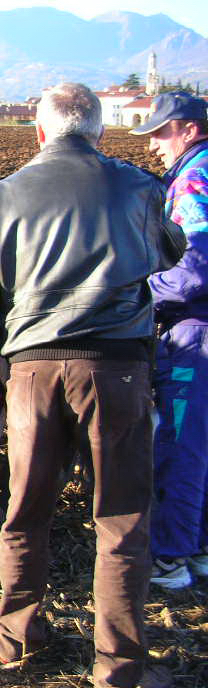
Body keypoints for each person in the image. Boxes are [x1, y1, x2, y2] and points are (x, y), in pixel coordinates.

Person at [0, 83, 185, 688]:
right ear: (100, 132)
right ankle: (117, 677)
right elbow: (172, 251)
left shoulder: (1, 198)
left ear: (40, 133)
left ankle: (17, 642)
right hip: (118, 373)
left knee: (27, 512)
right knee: (122, 521)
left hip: (33, 374)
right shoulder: (140, 188)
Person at [130, 92, 208, 589]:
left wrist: (139, 293)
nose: (154, 145)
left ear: (188, 129)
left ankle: (170, 556)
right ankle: (198, 547)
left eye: (160, 133)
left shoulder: (195, 181)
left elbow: (195, 268)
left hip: (195, 333)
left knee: (178, 445)